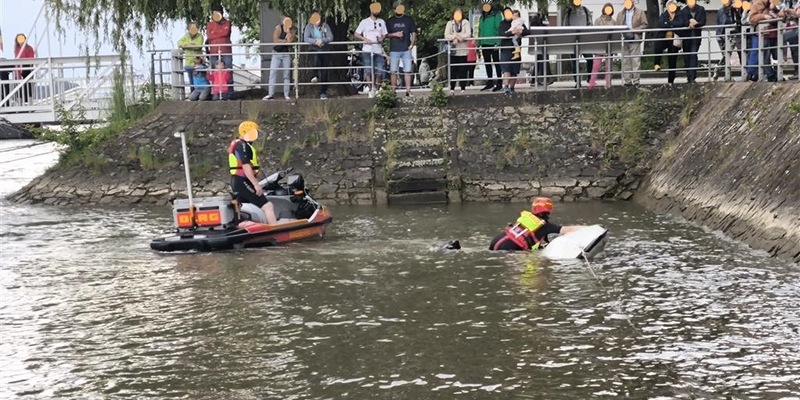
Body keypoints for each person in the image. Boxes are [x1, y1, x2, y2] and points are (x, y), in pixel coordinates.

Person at [229, 121, 278, 225]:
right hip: (242, 181)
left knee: (244, 208)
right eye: (254, 132)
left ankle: (244, 230)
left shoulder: (238, 144)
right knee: (268, 206)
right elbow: (246, 166)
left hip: (237, 181)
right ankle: (276, 230)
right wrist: (256, 185)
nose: (255, 135)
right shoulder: (242, 145)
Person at [489, 197, 582, 251]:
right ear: (549, 210)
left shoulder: (527, 219)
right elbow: (566, 230)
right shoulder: (544, 226)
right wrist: (584, 228)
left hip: (496, 241)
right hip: (508, 248)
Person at [355, 2, 388, 98]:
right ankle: (370, 89)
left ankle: (377, 89)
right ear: (371, 10)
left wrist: (382, 38)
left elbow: (385, 33)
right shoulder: (364, 22)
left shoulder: (382, 22)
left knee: (380, 69)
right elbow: (357, 34)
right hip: (367, 49)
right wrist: (365, 39)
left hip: (378, 49)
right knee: (368, 69)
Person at [386, 1, 417, 97]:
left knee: (407, 70)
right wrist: (395, 34)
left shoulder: (409, 20)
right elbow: (385, 35)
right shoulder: (390, 21)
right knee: (393, 71)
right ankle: (393, 91)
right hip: (394, 49)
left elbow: (414, 32)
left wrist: (412, 44)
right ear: (394, 9)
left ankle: (408, 90)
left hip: (406, 49)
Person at [615, 0, 648, 86]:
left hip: (635, 37)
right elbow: (617, 26)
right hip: (624, 38)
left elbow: (645, 24)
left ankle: (636, 80)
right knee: (626, 60)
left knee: (635, 60)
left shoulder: (640, 12)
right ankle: (627, 81)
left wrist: (636, 30)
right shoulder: (620, 14)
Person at [304, 11, 334, 99]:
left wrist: (322, 41)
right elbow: (306, 38)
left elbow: (330, 37)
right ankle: (315, 75)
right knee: (315, 60)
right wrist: (315, 42)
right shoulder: (309, 27)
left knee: (324, 72)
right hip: (314, 48)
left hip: (325, 50)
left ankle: (323, 92)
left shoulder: (325, 26)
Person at [653, 1, 685, 85]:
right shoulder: (663, 15)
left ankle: (671, 81)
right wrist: (673, 25)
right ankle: (657, 63)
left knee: (672, 61)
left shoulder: (679, 15)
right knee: (658, 46)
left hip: (674, 40)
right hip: (664, 39)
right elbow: (661, 24)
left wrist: (669, 24)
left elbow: (681, 23)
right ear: (667, 7)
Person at [263, 17, 295, 101]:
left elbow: (289, 42)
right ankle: (270, 94)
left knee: (287, 74)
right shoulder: (278, 28)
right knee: (273, 73)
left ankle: (286, 94)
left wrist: (288, 34)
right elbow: (275, 40)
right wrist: (284, 41)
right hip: (276, 53)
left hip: (286, 54)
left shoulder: (292, 31)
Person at [564, 0, 594, 88]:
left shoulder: (585, 10)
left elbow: (590, 24)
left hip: (585, 40)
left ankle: (589, 77)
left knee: (590, 59)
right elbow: (565, 27)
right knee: (575, 62)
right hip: (572, 41)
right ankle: (577, 82)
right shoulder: (568, 12)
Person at [499, 7, 528, 94]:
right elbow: (501, 33)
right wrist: (512, 32)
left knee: (514, 70)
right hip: (506, 49)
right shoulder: (502, 23)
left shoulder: (518, 22)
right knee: (506, 69)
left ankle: (512, 87)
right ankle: (506, 87)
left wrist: (520, 32)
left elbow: (527, 31)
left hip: (516, 49)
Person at [207, 6, 233, 99]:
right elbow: (209, 36)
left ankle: (229, 94)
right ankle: (216, 94)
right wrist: (219, 33)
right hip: (213, 51)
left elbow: (226, 33)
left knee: (228, 72)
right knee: (214, 73)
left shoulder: (228, 23)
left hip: (226, 50)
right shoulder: (209, 24)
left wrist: (215, 33)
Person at [478, 0, 504, 92]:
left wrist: (498, 42)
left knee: (496, 63)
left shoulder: (496, 15)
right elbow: (480, 30)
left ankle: (499, 82)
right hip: (484, 42)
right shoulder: (482, 16)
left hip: (493, 43)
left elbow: (499, 29)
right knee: (487, 63)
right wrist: (478, 44)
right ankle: (490, 82)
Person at [444, 7, 472, 94]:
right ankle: (452, 88)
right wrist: (454, 37)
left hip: (463, 49)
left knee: (463, 69)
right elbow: (446, 35)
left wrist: (461, 37)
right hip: (453, 50)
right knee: (453, 70)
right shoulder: (450, 23)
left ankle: (463, 87)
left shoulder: (465, 22)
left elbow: (468, 34)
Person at [588, 3, 616, 90]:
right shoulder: (598, 20)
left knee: (609, 66)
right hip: (599, 45)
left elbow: (615, 35)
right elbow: (594, 33)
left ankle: (608, 83)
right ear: (603, 9)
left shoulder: (613, 22)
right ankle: (592, 83)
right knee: (596, 65)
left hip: (609, 45)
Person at [680, 0, 707, 83]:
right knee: (686, 56)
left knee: (693, 54)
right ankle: (689, 75)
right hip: (686, 37)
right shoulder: (683, 11)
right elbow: (682, 22)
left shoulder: (701, 9)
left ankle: (692, 77)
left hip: (696, 36)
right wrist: (689, 22)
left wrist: (696, 23)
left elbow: (703, 21)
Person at [177, 21, 204, 94]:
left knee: (200, 79)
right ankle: (193, 94)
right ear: (189, 29)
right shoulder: (186, 36)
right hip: (189, 62)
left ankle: (201, 93)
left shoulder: (200, 36)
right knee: (191, 80)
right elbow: (179, 43)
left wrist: (187, 46)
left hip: (198, 62)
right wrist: (189, 44)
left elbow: (198, 46)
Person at [778, 1, 799, 79]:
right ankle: (797, 71)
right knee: (794, 51)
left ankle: (797, 71)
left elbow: (797, 13)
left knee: (783, 37)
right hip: (791, 28)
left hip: (796, 29)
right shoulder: (787, 2)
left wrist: (789, 11)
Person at [13, 34, 36, 104]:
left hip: (27, 69)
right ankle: (19, 101)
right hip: (18, 70)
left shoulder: (29, 48)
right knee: (18, 87)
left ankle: (28, 101)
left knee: (27, 86)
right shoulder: (16, 49)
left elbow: (31, 59)